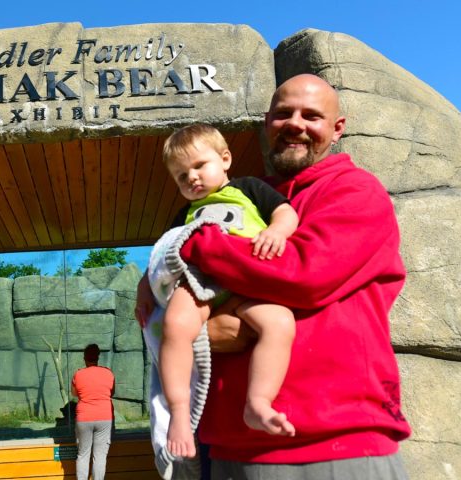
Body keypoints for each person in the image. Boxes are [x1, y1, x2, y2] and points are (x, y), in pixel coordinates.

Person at [137, 74, 411, 479]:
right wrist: (195, 323)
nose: (296, 123)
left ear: (337, 129)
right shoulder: (238, 198)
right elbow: (168, 277)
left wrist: (198, 244)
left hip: (335, 441)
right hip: (230, 443)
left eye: (311, 115)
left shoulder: (355, 192)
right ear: (268, 123)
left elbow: (303, 275)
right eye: (284, 113)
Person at [148, 124, 299, 468]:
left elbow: (286, 212)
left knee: (279, 322)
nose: (192, 178)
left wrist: (276, 231)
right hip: (200, 281)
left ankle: (258, 402)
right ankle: (180, 413)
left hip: (249, 279)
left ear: (225, 159)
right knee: (175, 324)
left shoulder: (248, 188)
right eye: (181, 176)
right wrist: (146, 288)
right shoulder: (184, 214)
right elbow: (161, 252)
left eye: (199, 166)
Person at [71, 344, 115, 480]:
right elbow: (111, 392)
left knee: (83, 455)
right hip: (104, 417)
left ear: (84, 358)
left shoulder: (78, 374)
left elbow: (74, 394)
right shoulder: (108, 373)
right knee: (100, 456)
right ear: (98, 357)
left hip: (84, 417)